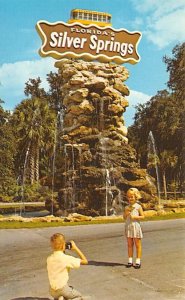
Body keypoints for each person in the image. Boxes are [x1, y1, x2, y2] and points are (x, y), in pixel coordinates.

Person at [47, 233, 88, 300]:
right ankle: (63, 296)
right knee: (78, 296)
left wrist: (62, 249)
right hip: (62, 289)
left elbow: (59, 259)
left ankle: (59, 298)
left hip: (52, 291)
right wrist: (75, 248)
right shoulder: (66, 259)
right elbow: (85, 261)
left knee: (67, 289)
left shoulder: (49, 258)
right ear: (64, 245)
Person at [123, 188, 145, 269]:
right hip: (129, 227)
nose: (130, 198)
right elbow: (124, 218)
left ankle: (138, 261)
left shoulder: (138, 207)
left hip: (136, 226)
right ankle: (130, 260)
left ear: (136, 197)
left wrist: (135, 217)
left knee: (137, 244)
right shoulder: (126, 207)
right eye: (128, 197)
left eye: (132, 197)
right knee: (129, 244)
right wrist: (126, 213)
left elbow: (143, 216)